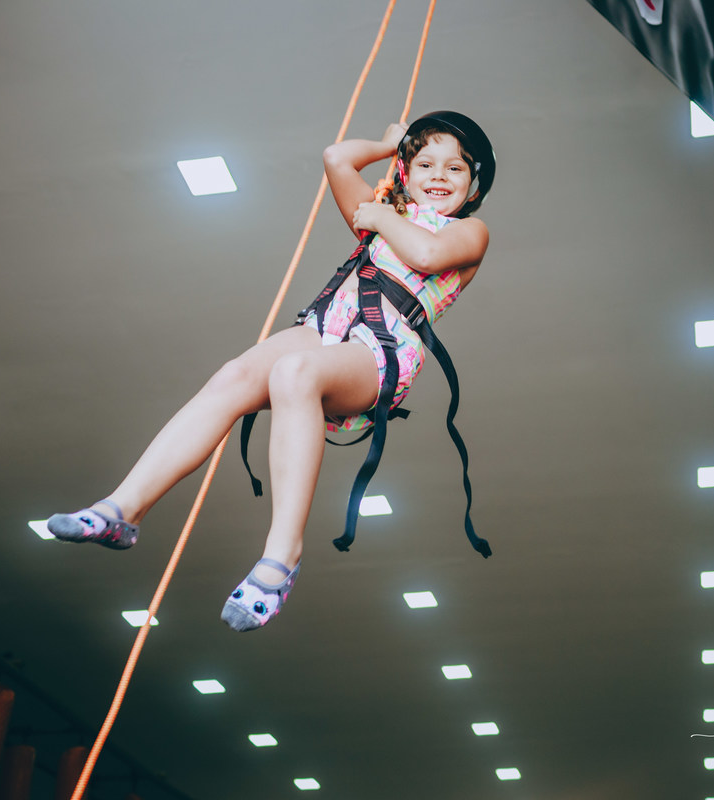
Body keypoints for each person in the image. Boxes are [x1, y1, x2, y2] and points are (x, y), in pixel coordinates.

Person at [48, 111, 496, 632]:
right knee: (234, 376)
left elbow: (425, 251)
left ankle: (280, 557)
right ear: (403, 171)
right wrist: (385, 144)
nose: (439, 176)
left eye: (456, 169)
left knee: (294, 373)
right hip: (328, 324)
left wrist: (377, 215)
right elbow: (336, 157)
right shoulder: (380, 204)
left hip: (384, 348)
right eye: (424, 164)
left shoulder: (468, 232)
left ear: (473, 185)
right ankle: (123, 509)